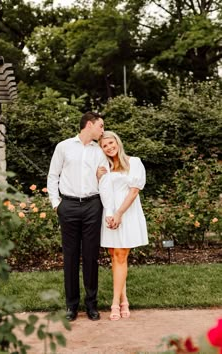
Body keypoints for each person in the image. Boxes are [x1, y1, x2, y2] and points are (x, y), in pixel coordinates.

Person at [47, 112, 114, 322]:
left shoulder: (99, 152)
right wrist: (56, 204)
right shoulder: (64, 146)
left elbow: (108, 177)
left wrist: (105, 174)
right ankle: (71, 306)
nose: (103, 131)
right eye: (101, 126)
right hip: (68, 206)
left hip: (93, 205)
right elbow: (52, 175)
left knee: (91, 256)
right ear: (89, 124)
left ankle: (91, 304)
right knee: (70, 256)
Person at [97, 131, 148, 321]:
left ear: (117, 142)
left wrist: (119, 213)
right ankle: (124, 299)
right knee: (115, 256)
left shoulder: (134, 162)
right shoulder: (104, 168)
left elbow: (134, 192)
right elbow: (103, 192)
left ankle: (115, 304)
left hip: (127, 213)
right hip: (110, 214)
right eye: (105, 146)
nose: (109, 147)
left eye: (111, 143)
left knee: (120, 254)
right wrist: (111, 214)